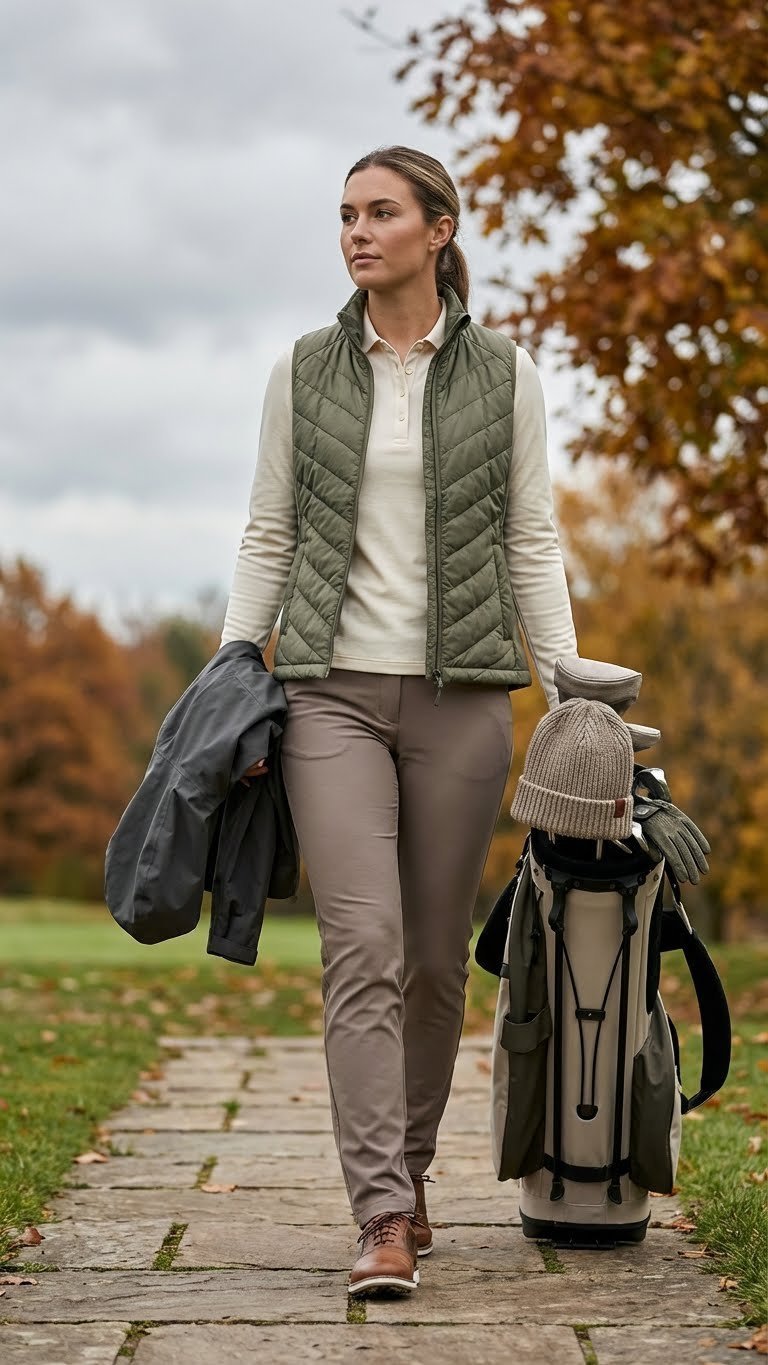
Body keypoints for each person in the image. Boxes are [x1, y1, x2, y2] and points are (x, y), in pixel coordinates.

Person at [220, 145, 578, 1297]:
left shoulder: (506, 374)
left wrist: (565, 679)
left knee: (433, 964)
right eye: (344, 215)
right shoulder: (307, 370)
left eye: (380, 213)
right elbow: (269, 530)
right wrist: (238, 656)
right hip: (328, 689)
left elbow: (530, 537)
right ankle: (378, 1211)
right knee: (361, 947)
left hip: (464, 696)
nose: (355, 233)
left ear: (438, 230)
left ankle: (410, 1179)